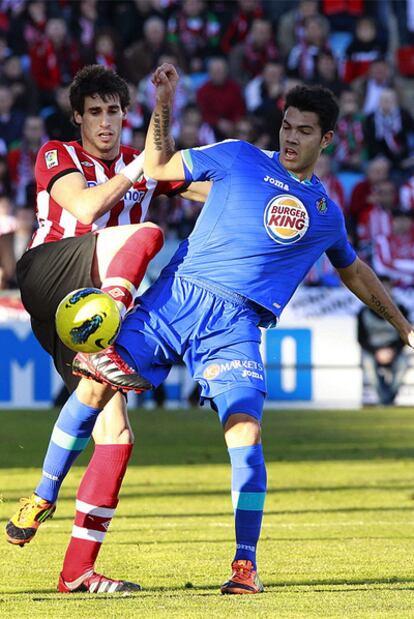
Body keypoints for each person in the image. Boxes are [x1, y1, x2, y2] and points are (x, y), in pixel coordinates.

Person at [70, 64, 414, 595]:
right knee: (93, 385)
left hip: (237, 325)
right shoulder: (238, 157)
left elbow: (356, 272)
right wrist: (164, 102)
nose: (291, 137)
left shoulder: (325, 212)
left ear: (327, 138)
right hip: (178, 297)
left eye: (304, 130)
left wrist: (404, 327)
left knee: (246, 434)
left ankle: (244, 565)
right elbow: (160, 169)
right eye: (286, 126)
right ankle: (44, 496)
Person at [5, 64, 208, 594]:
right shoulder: (57, 153)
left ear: (125, 115)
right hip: (51, 276)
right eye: (94, 112)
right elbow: (88, 204)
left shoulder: (144, 161)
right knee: (144, 231)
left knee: (115, 435)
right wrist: (142, 166)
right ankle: (114, 321)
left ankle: (70, 557)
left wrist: (164, 104)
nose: (105, 121)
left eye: (114, 111)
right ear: (78, 117)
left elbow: (211, 193)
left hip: (86, 316)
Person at [358, 277, 410, 405]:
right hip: (372, 350)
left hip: (394, 350)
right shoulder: (364, 312)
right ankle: (386, 400)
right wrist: (377, 352)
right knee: (368, 364)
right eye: (381, 288)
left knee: (403, 363)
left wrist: (392, 350)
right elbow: (361, 338)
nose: (384, 291)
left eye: (387, 287)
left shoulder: (402, 309)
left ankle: (387, 399)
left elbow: (405, 335)